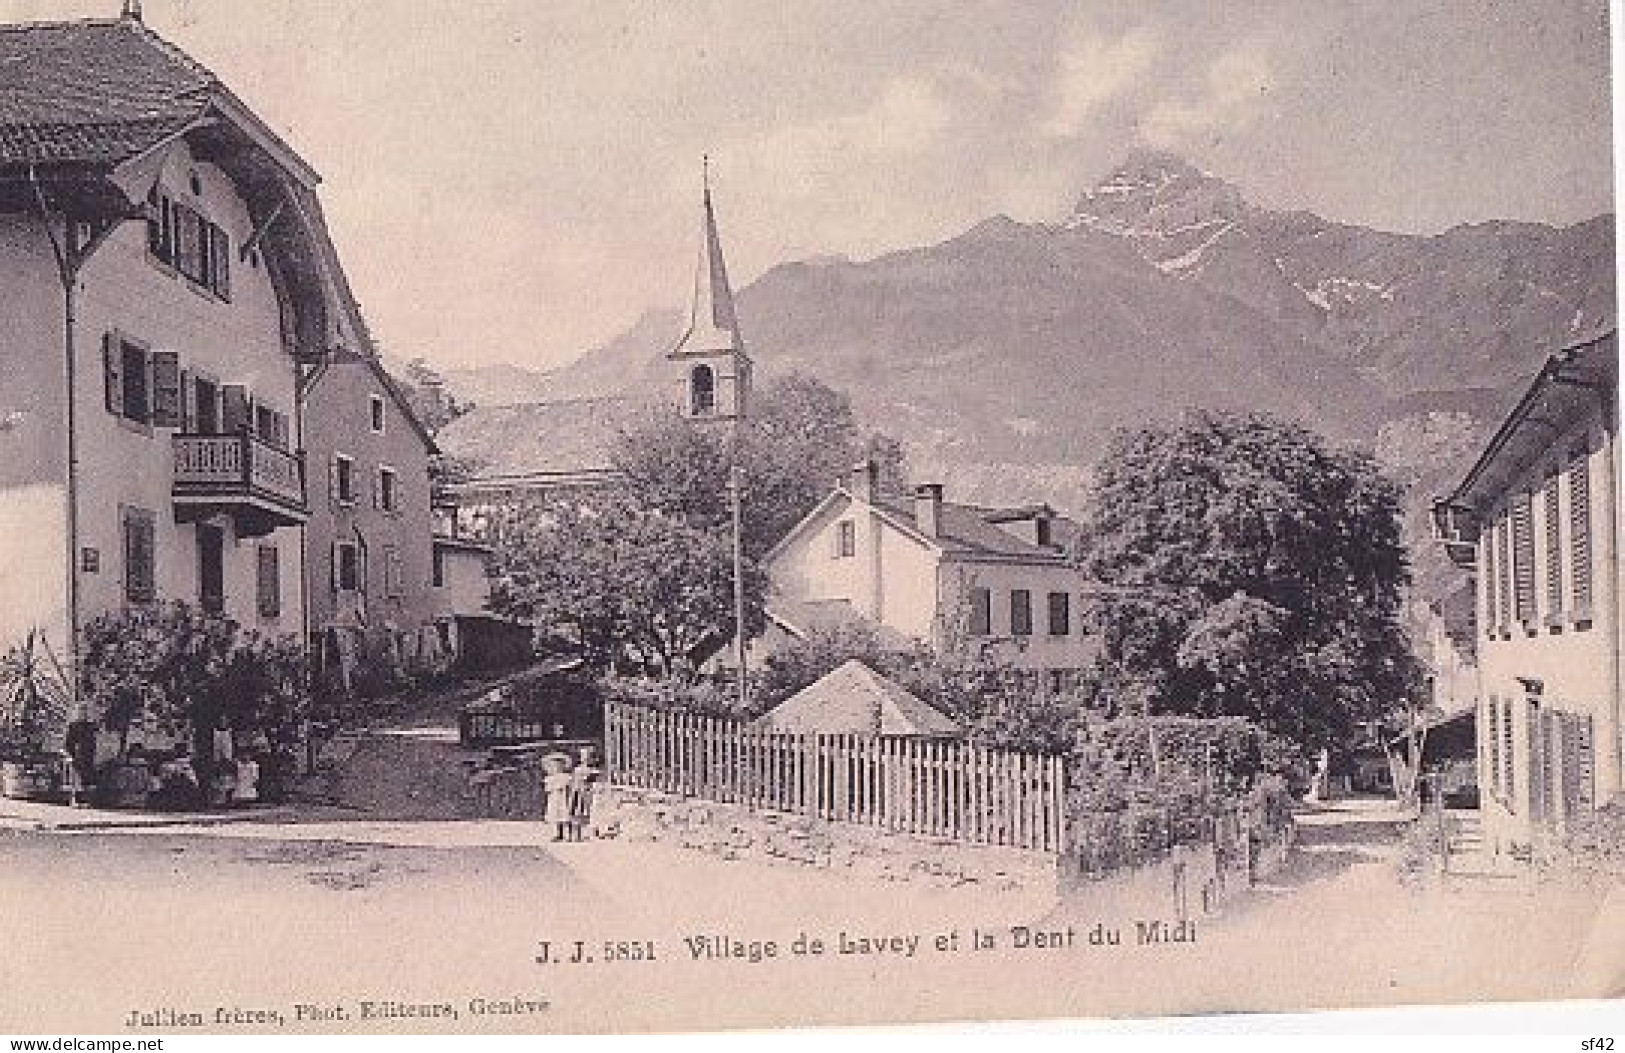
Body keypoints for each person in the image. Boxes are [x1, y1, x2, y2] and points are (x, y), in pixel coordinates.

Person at [568, 746, 602, 842]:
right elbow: (574, 781)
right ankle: (574, 835)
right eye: (583, 757)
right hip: (578, 793)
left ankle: (584, 834)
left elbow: (592, 781)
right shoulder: (577, 770)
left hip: (586, 793)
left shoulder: (593, 771)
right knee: (575, 812)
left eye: (587, 757)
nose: (585, 759)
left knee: (585, 813)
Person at [542, 753, 574, 842]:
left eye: (559, 766)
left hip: (563, 798)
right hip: (554, 798)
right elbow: (547, 789)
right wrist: (552, 787)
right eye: (554, 766)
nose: (557, 768)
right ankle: (558, 834)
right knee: (556, 816)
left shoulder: (566, 777)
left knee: (565, 815)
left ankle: (567, 834)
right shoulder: (550, 778)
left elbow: (569, 787)